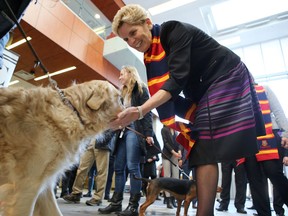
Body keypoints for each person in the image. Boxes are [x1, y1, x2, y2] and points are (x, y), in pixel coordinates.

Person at [109, 4, 267, 216]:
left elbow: (177, 82)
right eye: (125, 39)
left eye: (133, 33)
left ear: (147, 23)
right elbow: (172, 97)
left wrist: (140, 110)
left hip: (226, 75)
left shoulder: (173, 31)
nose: (131, 41)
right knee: (202, 149)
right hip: (205, 89)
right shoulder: (150, 56)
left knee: (202, 148)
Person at [98, 65, 154, 216]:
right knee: (118, 167)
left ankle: (133, 206)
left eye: (122, 74)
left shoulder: (141, 88)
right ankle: (116, 203)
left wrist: (149, 133)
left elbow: (146, 112)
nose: (120, 77)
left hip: (135, 130)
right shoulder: (122, 92)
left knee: (132, 167)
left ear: (130, 73)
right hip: (121, 131)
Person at [243, 84, 288, 216]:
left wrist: (286, 133)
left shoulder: (265, 89)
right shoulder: (235, 95)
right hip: (247, 138)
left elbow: (278, 111)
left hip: (269, 135)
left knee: (274, 172)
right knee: (255, 180)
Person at [63, 130, 113, 206]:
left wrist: (107, 137)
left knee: (101, 171)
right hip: (91, 139)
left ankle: (97, 197)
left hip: (104, 139)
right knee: (82, 168)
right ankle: (76, 193)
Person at [161, 125, 181, 208]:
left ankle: (173, 199)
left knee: (176, 177)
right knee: (167, 177)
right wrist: (174, 152)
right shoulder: (164, 129)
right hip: (167, 155)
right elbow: (166, 143)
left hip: (175, 156)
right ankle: (168, 200)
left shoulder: (176, 131)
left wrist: (179, 151)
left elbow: (178, 142)